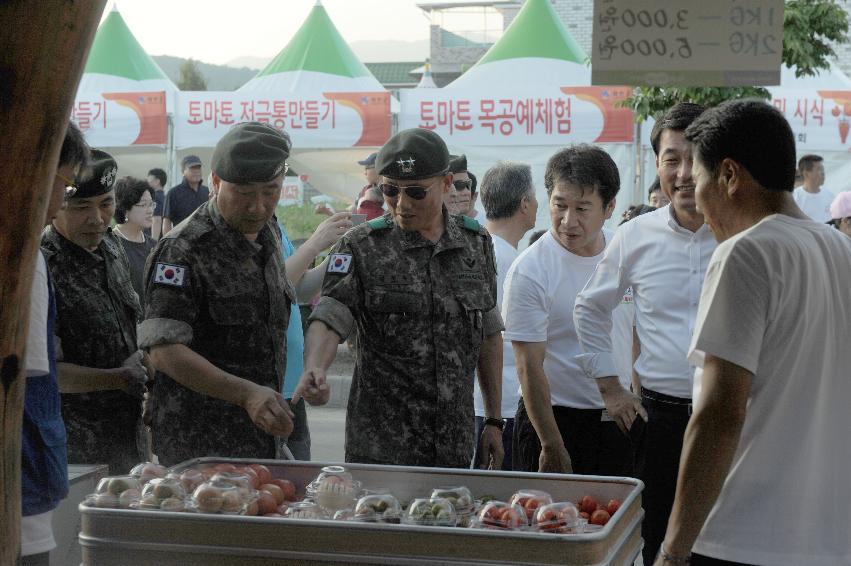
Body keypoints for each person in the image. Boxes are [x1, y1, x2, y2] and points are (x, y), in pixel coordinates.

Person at [655, 99, 851, 566]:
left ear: (728, 175)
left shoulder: (746, 254)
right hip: (832, 538)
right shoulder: (841, 250)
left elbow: (719, 414)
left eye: (699, 181)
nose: (698, 200)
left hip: (742, 538)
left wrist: (672, 550)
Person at [294, 128, 505, 469]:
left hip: (452, 441)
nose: (402, 205)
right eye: (390, 190)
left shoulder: (475, 243)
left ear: (447, 183)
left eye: (416, 192)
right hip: (380, 445)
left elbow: (489, 334)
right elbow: (331, 317)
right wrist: (315, 367)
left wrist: (494, 420)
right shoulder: (361, 246)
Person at [574, 102, 716, 566]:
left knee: (726, 538)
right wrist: (610, 388)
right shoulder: (636, 236)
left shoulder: (743, 234)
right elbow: (590, 307)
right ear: (657, 165)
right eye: (672, 159)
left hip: (736, 414)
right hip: (661, 420)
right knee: (657, 536)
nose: (684, 172)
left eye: (696, 157)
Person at [140, 122, 296, 465]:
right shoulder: (183, 249)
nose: (257, 206)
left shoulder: (266, 229)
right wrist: (246, 395)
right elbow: (164, 351)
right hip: (199, 447)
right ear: (215, 182)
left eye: (270, 191)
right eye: (243, 193)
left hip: (260, 436)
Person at [505, 145, 633, 476]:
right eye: (559, 206)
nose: (568, 221)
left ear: (609, 208)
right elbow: (528, 366)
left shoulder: (627, 256)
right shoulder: (531, 270)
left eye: (582, 208)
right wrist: (551, 444)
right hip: (554, 421)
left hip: (621, 418)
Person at [41, 149, 148, 474]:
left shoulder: (111, 248)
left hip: (129, 443)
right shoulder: (43, 267)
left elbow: (132, 321)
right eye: (82, 207)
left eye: (106, 204)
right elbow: (46, 373)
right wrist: (116, 379)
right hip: (76, 453)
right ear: (58, 204)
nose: (97, 218)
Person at [20, 122, 88, 566]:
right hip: (21, 484)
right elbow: (23, 378)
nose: (60, 201)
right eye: (65, 185)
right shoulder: (25, 258)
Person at [470, 161, 538, 470]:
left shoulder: (476, 251)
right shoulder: (517, 264)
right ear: (525, 203)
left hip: (478, 402)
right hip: (504, 406)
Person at [276, 211, 353, 460]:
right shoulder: (235, 229)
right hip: (260, 387)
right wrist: (314, 244)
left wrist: (341, 249)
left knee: (296, 481)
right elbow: (268, 287)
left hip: (291, 384)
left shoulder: (274, 225)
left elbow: (299, 290)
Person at [113, 177, 157, 304]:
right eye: (143, 205)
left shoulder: (155, 246)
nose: (150, 211)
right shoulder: (110, 245)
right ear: (125, 209)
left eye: (151, 204)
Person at [162, 154, 209, 234]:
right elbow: (167, 221)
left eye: (198, 168)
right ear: (183, 172)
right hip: (182, 242)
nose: (196, 171)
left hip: (205, 241)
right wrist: (168, 243)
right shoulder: (173, 193)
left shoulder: (207, 191)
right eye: (192, 168)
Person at [792, 154, 833, 222]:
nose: (823, 173)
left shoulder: (829, 195)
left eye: (823, 169)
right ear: (806, 174)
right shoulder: (795, 198)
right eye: (819, 169)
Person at [147, 167, 167, 239]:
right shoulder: (165, 198)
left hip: (153, 239)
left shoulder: (155, 197)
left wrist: (153, 243)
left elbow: (156, 220)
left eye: (149, 180)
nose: (147, 183)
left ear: (157, 181)